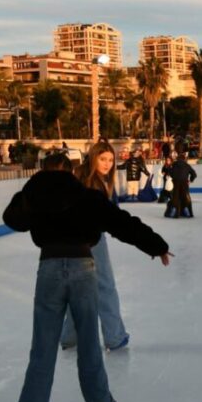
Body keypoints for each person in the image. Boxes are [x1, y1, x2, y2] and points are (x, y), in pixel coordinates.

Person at [3, 153, 172, 402]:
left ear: (43, 171)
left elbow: (12, 219)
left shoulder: (35, 194)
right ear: (72, 171)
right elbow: (122, 223)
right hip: (83, 268)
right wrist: (156, 245)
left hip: (49, 270)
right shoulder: (87, 196)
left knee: (42, 346)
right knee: (90, 343)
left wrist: (31, 190)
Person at [56, 142, 133, 353]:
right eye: (103, 159)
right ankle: (115, 337)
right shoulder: (95, 183)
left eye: (110, 160)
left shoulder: (80, 176)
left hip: (70, 241)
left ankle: (70, 337)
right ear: (93, 158)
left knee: (79, 289)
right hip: (90, 240)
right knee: (105, 286)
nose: (107, 164)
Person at [165, 153, 197, 218]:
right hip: (184, 183)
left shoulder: (174, 164)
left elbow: (169, 171)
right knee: (185, 197)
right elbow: (194, 174)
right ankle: (187, 212)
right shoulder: (187, 165)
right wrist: (190, 180)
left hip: (176, 182)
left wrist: (174, 177)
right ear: (184, 159)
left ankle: (174, 212)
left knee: (175, 198)